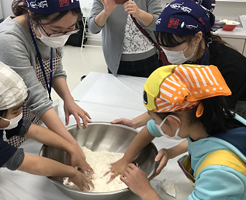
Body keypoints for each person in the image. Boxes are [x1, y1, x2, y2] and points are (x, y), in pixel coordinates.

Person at [110, 0, 246, 177]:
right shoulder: (188, 56)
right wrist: (135, 122)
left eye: (172, 46)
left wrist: (172, 151)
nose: (166, 51)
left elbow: (210, 126)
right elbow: (170, 105)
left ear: (197, 38)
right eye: (162, 46)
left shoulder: (229, 68)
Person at [0, 58, 93, 200]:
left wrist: (71, 147)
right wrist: (71, 172)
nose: (20, 116)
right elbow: (33, 164)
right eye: (15, 111)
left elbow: (35, 131)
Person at [123, 64, 246, 199]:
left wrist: (144, 190)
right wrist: (124, 160)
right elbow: (151, 129)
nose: (155, 124)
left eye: (155, 119)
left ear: (174, 122)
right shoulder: (210, 117)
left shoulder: (219, 172)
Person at [0, 0, 91, 148]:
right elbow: (35, 97)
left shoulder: (46, 34)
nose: (62, 36)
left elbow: (55, 71)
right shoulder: (8, 38)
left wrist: (69, 100)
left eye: (70, 29)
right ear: (31, 14)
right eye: (55, 30)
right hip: (9, 119)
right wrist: (72, 146)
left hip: (34, 115)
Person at [88, 0, 162, 77]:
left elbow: (159, 23)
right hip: (116, 61)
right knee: (117, 88)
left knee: (149, 88)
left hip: (148, 57)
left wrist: (139, 13)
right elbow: (93, 28)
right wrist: (105, 13)